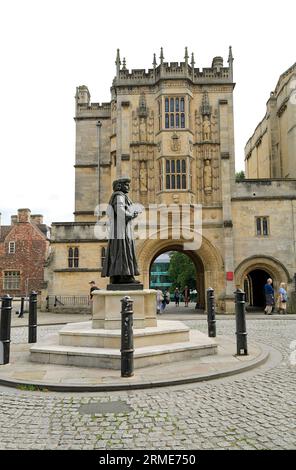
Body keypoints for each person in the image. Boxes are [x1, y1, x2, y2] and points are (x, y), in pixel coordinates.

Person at [101, 177, 140, 285]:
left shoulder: (120, 196)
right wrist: (132, 214)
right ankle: (125, 276)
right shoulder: (119, 196)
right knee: (123, 251)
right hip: (121, 230)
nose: (128, 187)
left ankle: (116, 276)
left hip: (120, 228)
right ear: (119, 186)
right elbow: (121, 211)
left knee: (119, 250)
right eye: (126, 185)